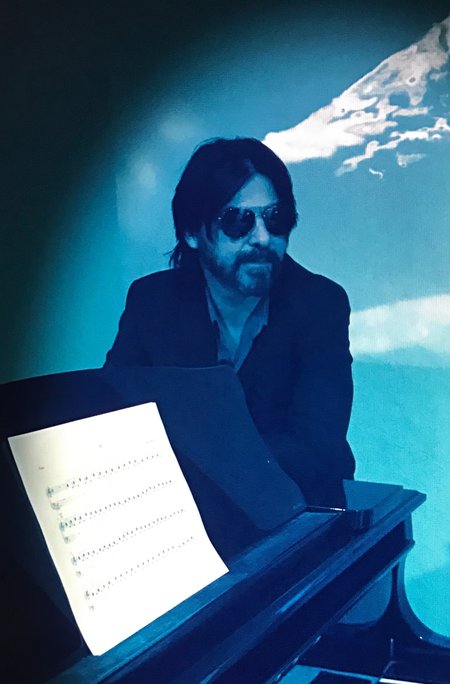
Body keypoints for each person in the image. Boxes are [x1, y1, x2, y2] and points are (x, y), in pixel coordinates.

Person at [106, 137, 355, 507]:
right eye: (238, 221)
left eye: (275, 218)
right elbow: (112, 416)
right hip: (186, 510)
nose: (262, 238)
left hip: (301, 509)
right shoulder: (152, 301)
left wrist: (188, 455)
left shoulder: (319, 303)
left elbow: (316, 450)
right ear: (192, 232)